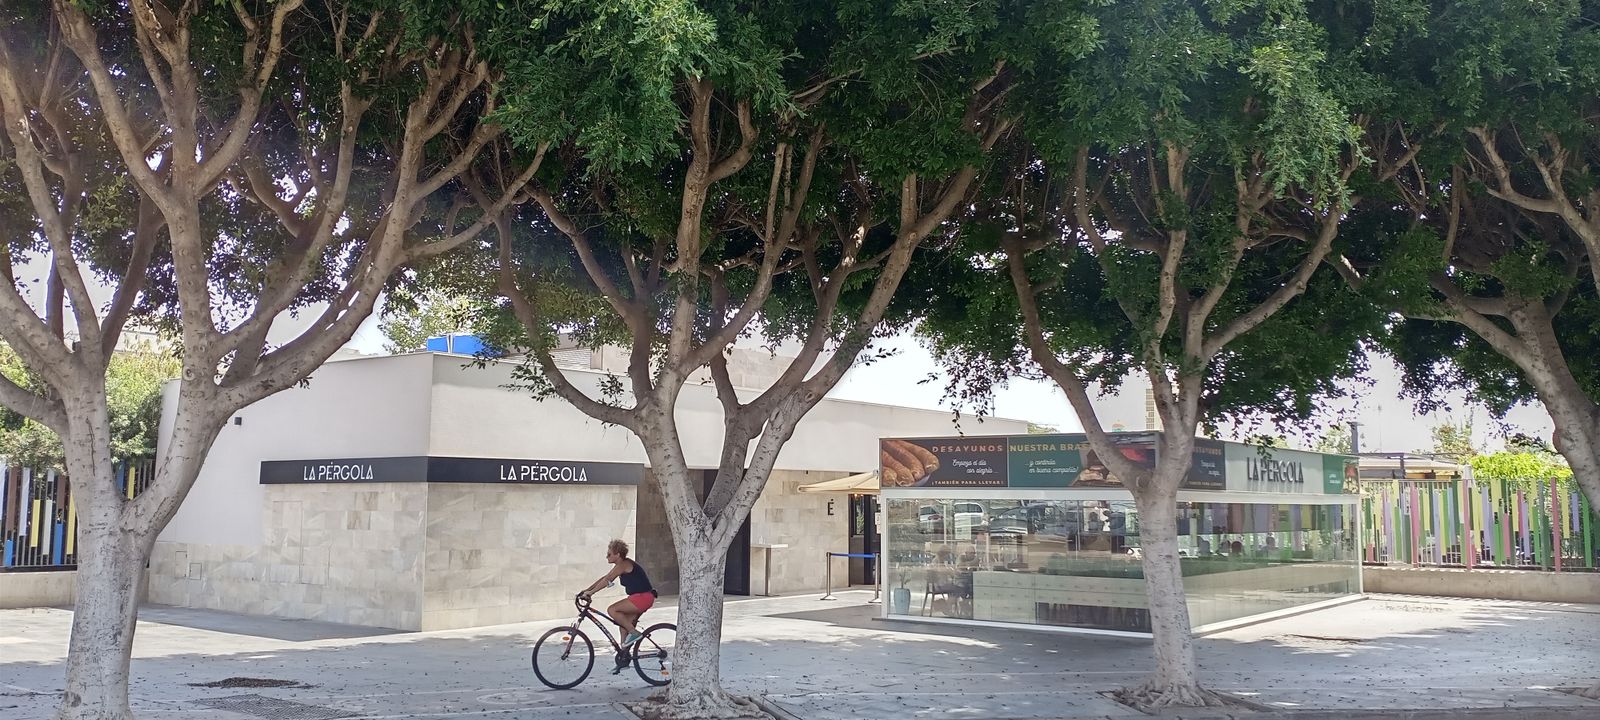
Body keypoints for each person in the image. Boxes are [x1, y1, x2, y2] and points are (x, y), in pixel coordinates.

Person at [579, 539, 656, 648]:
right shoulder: (621, 565)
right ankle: (624, 656)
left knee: (612, 609)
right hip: (641, 597)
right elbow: (604, 578)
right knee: (624, 625)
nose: (607, 557)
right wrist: (586, 590)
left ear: (618, 554)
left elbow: (607, 580)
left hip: (643, 598)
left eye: (609, 554)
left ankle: (634, 633)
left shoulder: (624, 564)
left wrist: (591, 593)